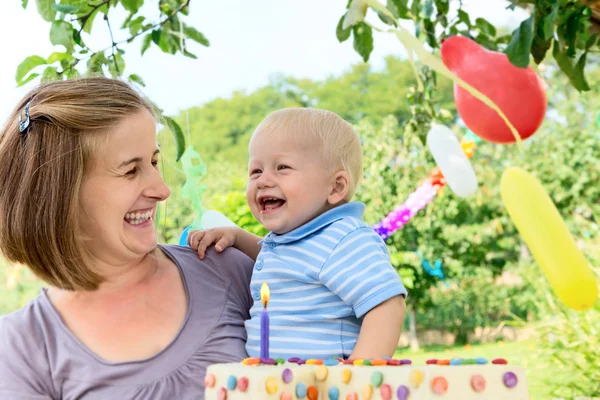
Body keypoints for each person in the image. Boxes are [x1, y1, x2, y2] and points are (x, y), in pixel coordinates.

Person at [0, 77, 254, 399]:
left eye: (153, 161)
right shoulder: (23, 348)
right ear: (60, 195)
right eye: (131, 170)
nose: (163, 190)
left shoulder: (227, 267)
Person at [188, 108, 407, 360]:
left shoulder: (343, 237)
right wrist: (237, 237)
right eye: (255, 171)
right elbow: (293, 263)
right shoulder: (296, 241)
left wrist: (357, 375)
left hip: (325, 387)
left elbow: (387, 305)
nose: (262, 180)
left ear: (335, 187)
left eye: (282, 167)